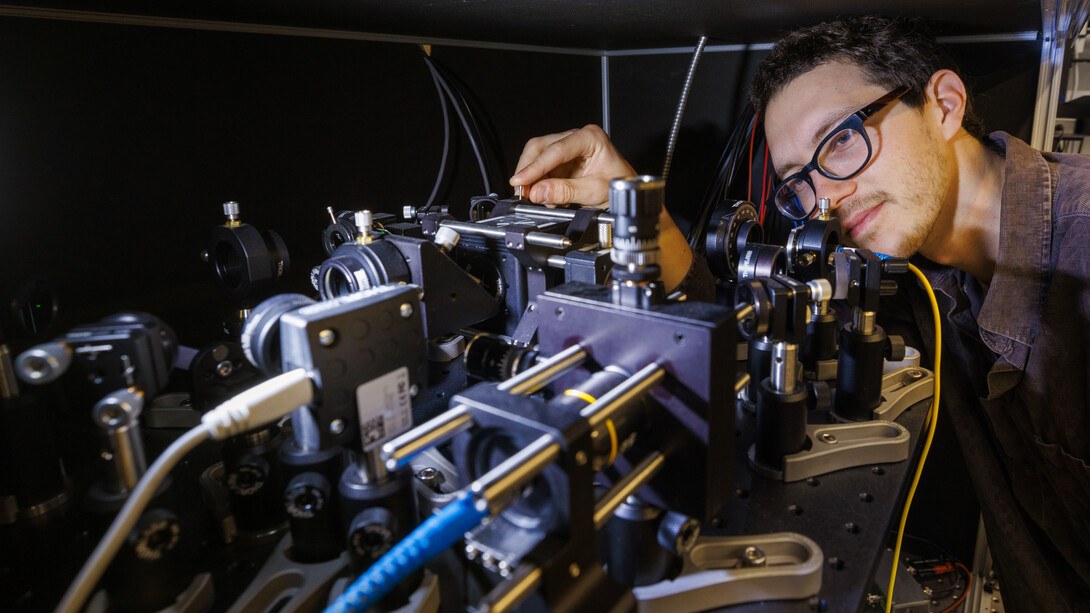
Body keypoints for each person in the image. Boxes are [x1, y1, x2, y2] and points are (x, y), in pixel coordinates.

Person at [509, 16, 1090, 612]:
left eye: (840, 138)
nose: (827, 198)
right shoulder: (918, 274)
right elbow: (748, 336)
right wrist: (639, 211)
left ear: (943, 104)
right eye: (800, 181)